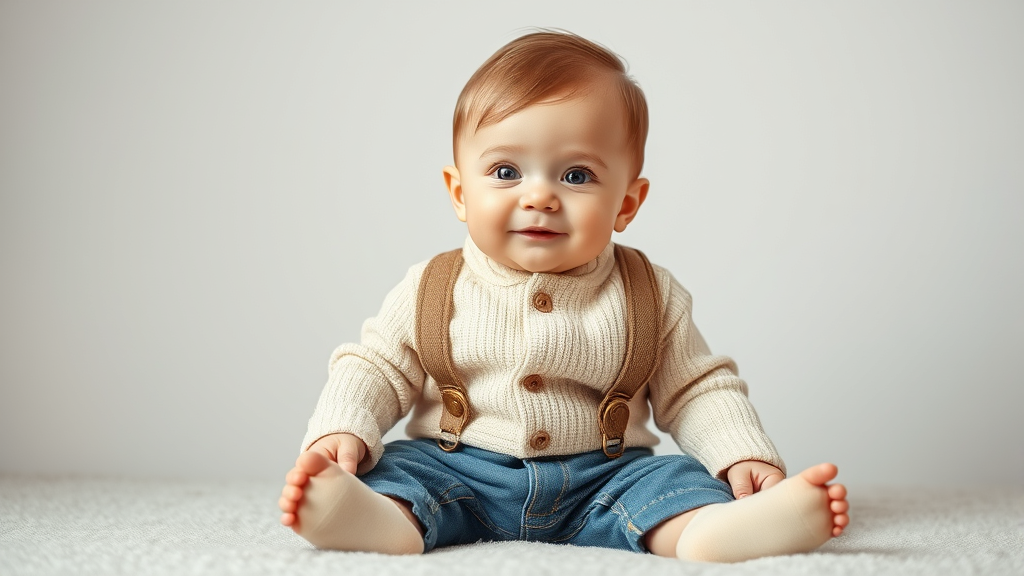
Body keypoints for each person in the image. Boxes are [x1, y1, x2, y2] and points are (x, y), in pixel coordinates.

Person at [277, 30, 849, 562]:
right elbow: (374, 366)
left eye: (576, 176)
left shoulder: (649, 293)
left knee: (671, 484)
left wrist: (741, 454)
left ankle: (710, 532)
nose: (540, 196)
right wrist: (343, 429)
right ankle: (374, 521)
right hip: (459, 470)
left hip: (603, 476)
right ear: (459, 192)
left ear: (626, 203)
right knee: (402, 473)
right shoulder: (432, 286)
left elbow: (697, 387)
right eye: (505, 171)